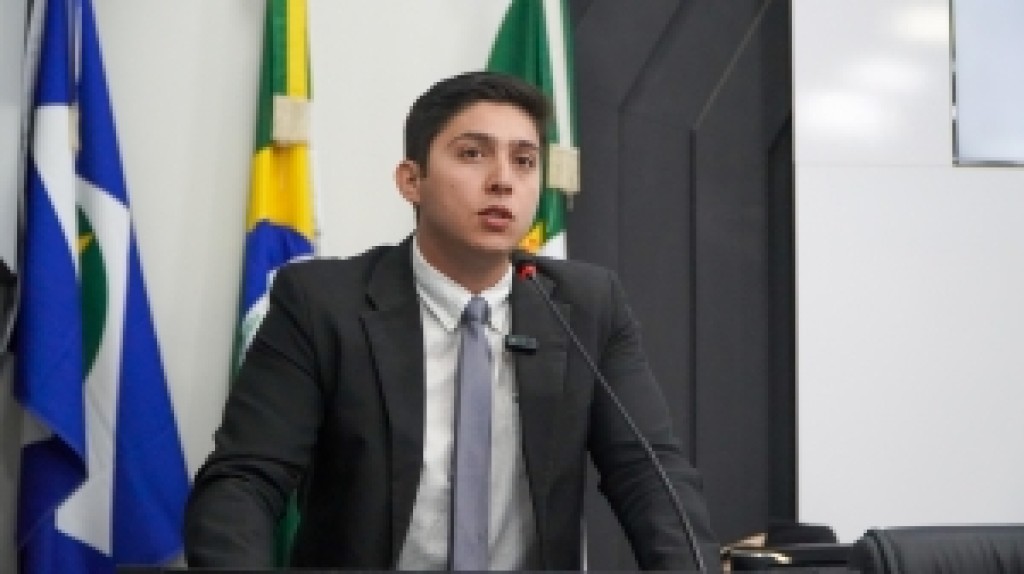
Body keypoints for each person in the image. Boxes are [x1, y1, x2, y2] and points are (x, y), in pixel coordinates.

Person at [184, 71, 720, 571]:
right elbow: (244, 482)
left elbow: (649, 475)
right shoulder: (324, 304)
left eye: (525, 161)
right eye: (472, 154)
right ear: (411, 180)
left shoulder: (587, 306)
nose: (503, 181)